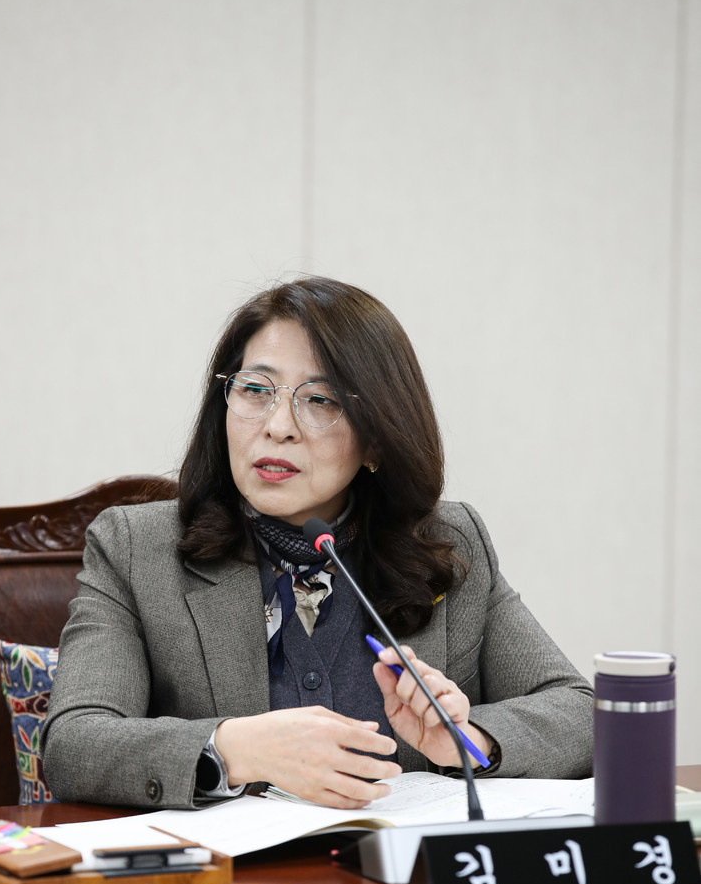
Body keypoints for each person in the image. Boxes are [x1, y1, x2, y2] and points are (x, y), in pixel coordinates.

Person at [41, 276, 592, 810]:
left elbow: (581, 713)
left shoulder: (446, 544)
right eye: (255, 390)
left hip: (401, 867)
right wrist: (236, 748)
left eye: (321, 400)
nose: (278, 426)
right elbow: (73, 743)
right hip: (233, 871)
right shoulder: (136, 549)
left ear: (376, 437)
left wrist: (468, 739)